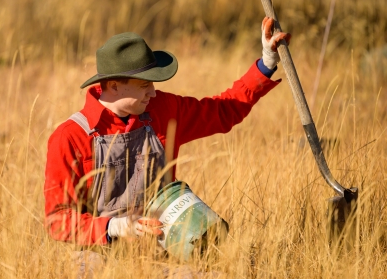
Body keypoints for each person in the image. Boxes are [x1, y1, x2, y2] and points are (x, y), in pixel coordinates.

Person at [44, 17, 290, 251]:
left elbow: (223, 111)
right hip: (98, 251)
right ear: (114, 86)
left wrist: (267, 62)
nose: (153, 92)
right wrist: (116, 227)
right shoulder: (70, 137)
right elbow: (57, 220)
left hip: (163, 246)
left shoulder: (164, 109)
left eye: (153, 83)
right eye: (144, 85)